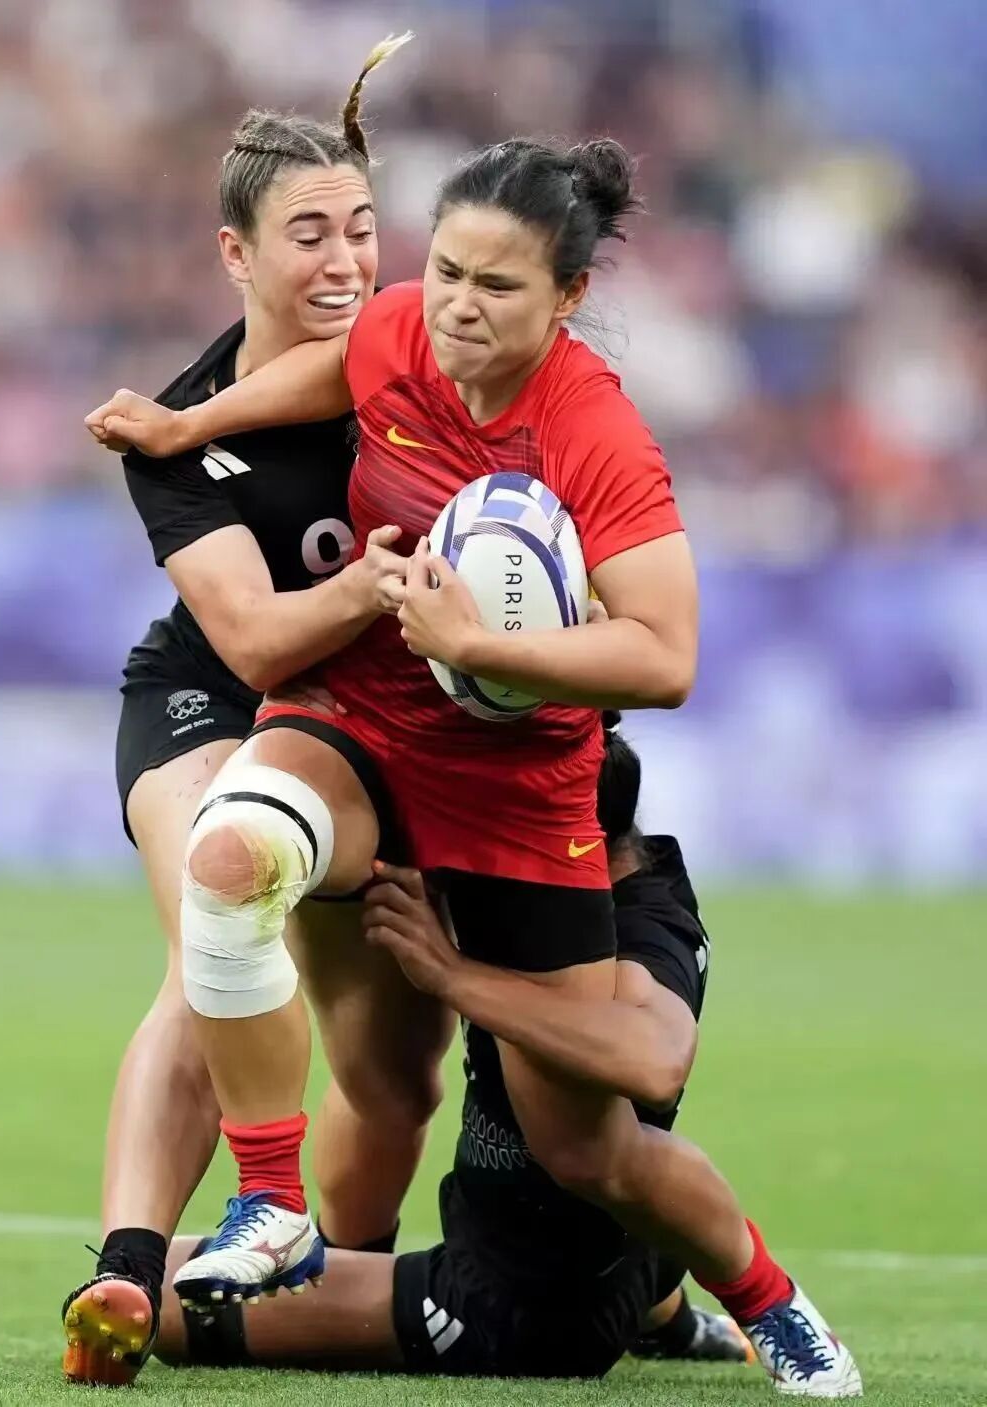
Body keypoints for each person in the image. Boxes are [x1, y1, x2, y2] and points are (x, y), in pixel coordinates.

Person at [89, 137, 862, 1396]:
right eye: (445, 270)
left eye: (496, 287)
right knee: (230, 858)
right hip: (361, 721)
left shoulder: (597, 433)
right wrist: (197, 420)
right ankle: (270, 1201)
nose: (454, 305)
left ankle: (765, 1300)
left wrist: (481, 646)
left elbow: (665, 655)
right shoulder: (406, 325)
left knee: (586, 1149)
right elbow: (348, 357)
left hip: (519, 791)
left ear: (566, 298)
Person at [61, 35, 456, 1391]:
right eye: (308, 235)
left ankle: (349, 1274)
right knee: (214, 923)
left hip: (380, 718)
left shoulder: (415, 350)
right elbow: (254, 637)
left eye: (363, 227)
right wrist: (377, 584)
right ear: (234, 254)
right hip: (213, 697)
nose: (348, 260)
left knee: (398, 1074)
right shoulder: (175, 429)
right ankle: (128, 1265)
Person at [150, 734, 850, 1391]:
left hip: (522, 1309)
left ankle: (774, 1307)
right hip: (631, 1246)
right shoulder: (533, 881)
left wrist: (454, 976)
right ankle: (669, 1322)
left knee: (168, 1295)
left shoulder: (646, 923)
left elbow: (657, 1063)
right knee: (396, 1094)